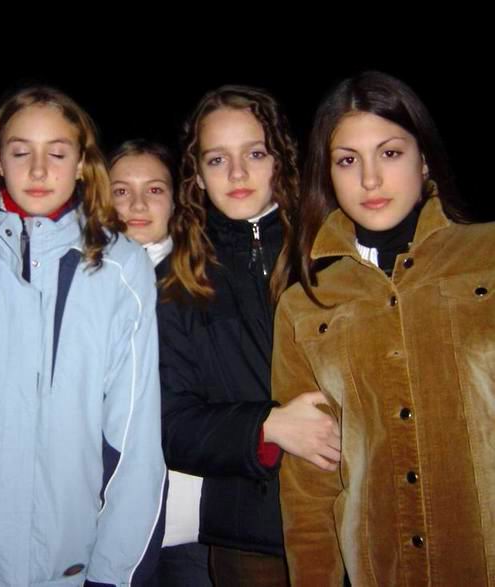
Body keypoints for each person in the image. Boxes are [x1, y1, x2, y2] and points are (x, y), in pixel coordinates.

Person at [0, 87, 166, 587]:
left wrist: (113, 573)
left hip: (70, 568)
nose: (39, 170)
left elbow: (136, 439)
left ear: (82, 163)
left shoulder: (121, 270)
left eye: (57, 153)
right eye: (21, 152)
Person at [273, 71, 494, 585]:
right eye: (348, 161)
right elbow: (309, 484)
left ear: (424, 158)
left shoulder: (486, 256)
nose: (370, 180)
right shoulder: (304, 303)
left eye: (389, 153)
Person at [157, 85, 341, 587]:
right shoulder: (178, 281)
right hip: (250, 536)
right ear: (197, 175)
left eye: (254, 154)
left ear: (280, 159)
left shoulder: (331, 250)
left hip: (353, 521)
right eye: (218, 159)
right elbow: (169, 425)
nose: (237, 174)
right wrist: (269, 426)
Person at [110, 139, 211, 586]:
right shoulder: (78, 286)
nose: (137, 204)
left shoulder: (205, 282)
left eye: (154, 189)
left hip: (190, 516)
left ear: (175, 200)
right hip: (103, 517)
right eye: (121, 190)